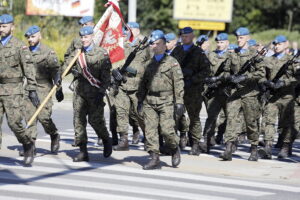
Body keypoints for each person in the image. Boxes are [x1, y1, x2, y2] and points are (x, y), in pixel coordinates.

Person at [63, 26, 112, 162]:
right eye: (82, 37)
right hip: (80, 93)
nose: (84, 39)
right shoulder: (77, 53)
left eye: (86, 37)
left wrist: (101, 92)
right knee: (78, 121)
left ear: (92, 37)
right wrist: (58, 76)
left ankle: (106, 139)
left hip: (95, 93)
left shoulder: (101, 53)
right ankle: (83, 151)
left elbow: (106, 77)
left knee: (95, 121)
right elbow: (66, 67)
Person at [137, 30, 183, 170]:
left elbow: (179, 83)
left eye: (158, 44)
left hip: (166, 100)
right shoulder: (148, 64)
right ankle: (154, 158)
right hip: (150, 101)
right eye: (153, 44)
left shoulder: (172, 63)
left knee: (167, 130)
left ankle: (174, 149)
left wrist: (179, 101)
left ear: (164, 45)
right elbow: (143, 84)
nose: (155, 47)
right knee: (150, 131)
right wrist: (140, 101)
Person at [220, 27, 265, 161]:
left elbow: (261, 73)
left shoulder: (255, 55)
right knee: (231, 119)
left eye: (241, 37)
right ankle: (228, 148)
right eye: (238, 38)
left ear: (247, 38)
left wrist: (246, 77)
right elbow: (226, 70)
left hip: (250, 94)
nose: (239, 40)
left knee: (250, 122)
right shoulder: (233, 54)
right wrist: (230, 78)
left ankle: (254, 148)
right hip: (235, 93)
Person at [0, 14, 38, 165]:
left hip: (13, 90)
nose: (1, 29)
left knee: (14, 123)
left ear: (12, 27)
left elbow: (29, 69)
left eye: (4, 26)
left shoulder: (19, 46)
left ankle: (28, 144)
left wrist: (32, 89)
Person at [171, 27, 210, 156]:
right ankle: (175, 142)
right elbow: (168, 65)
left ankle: (195, 144)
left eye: (187, 36)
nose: (184, 38)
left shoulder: (198, 52)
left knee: (194, 118)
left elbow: (206, 71)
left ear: (192, 36)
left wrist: (193, 79)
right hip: (178, 90)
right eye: (182, 36)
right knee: (175, 117)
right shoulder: (177, 50)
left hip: (193, 90)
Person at [23, 25, 61, 154]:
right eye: (28, 37)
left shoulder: (48, 52)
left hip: (44, 87)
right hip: (29, 88)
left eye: (33, 36)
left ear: (40, 36)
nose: (30, 39)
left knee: (44, 117)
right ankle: (30, 146)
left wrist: (58, 84)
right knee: (30, 117)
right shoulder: (24, 51)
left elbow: (56, 70)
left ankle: (54, 134)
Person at [259, 35, 299, 159]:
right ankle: (268, 146)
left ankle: (286, 146)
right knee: (269, 121)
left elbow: (297, 78)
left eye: (279, 44)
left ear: (285, 45)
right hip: (272, 96)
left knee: (287, 123)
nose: (277, 47)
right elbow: (260, 74)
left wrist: (285, 82)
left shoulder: (291, 60)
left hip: (287, 96)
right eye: (275, 45)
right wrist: (266, 83)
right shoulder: (268, 60)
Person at [112, 22, 150, 151]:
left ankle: (149, 137)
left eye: (131, 29)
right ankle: (124, 140)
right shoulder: (122, 46)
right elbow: (113, 62)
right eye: (126, 29)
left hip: (138, 87)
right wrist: (114, 72)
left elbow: (152, 66)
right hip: (122, 85)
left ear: (138, 31)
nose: (127, 32)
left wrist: (138, 72)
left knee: (139, 115)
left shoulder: (146, 47)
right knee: (121, 112)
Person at [202, 33, 230, 153]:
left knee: (230, 117)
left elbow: (233, 73)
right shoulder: (210, 55)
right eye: (218, 42)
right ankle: (206, 140)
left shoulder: (232, 56)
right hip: (213, 91)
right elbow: (205, 69)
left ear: (227, 43)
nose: (219, 45)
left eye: (222, 42)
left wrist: (219, 79)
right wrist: (208, 79)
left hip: (227, 91)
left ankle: (229, 144)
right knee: (211, 117)